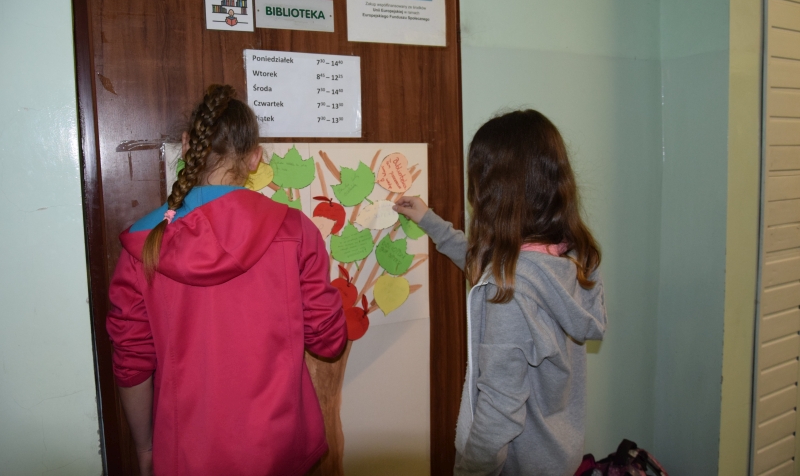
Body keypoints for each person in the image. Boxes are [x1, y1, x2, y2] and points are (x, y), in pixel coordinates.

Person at [106, 84, 347, 476]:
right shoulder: (295, 231)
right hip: (279, 448)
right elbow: (329, 341)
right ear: (254, 158)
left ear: (188, 145)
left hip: (187, 455)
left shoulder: (144, 243)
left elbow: (131, 364)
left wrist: (146, 448)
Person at [394, 110, 607, 476]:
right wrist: (431, 223)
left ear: (493, 192)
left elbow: (498, 411)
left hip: (521, 466)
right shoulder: (570, 258)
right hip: (558, 456)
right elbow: (488, 262)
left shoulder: (512, 291)